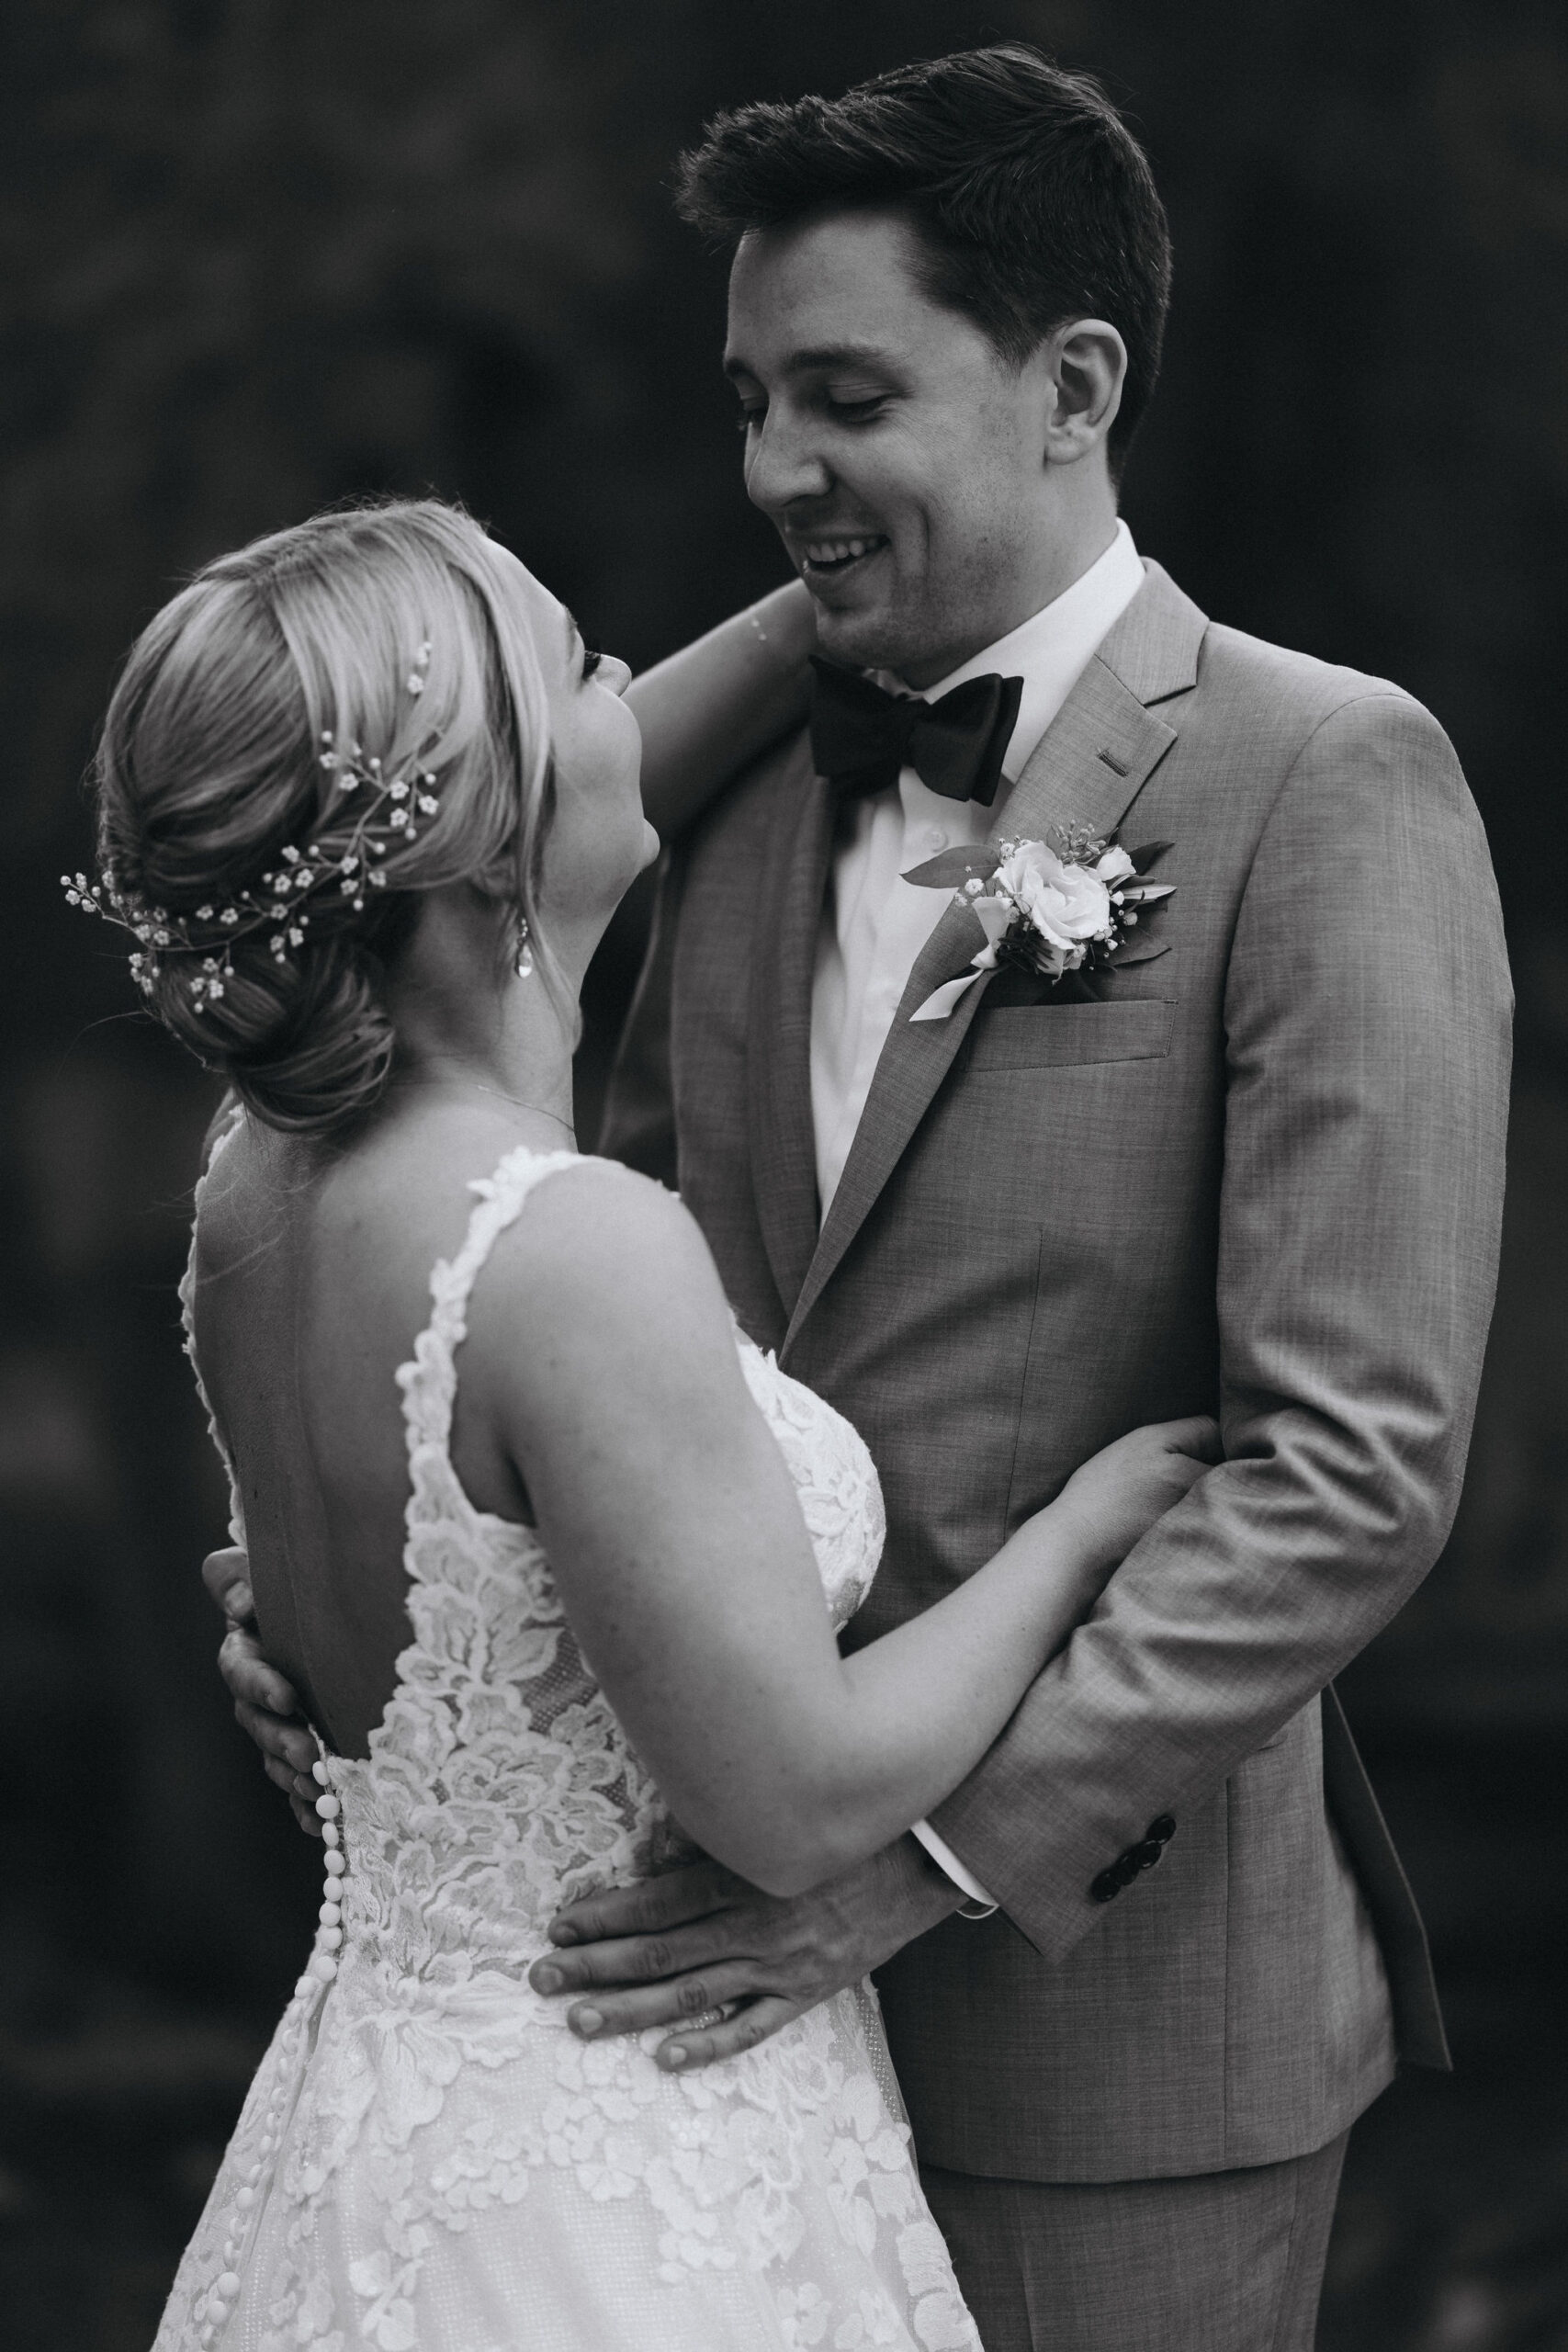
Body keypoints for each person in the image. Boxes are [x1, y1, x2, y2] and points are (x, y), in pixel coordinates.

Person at [213, 43, 1513, 2352]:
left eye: (840, 397)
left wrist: (909, 1868)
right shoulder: (685, 818)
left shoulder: (1322, 779)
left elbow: (1348, 1468)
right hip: (649, 2058)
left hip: (1091, 2039)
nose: (769, 473)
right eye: (743, 400)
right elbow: (548, 1302)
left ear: (1069, 384)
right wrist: (392, 1600)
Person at [76, 495, 1220, 2349]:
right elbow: (795, 1802)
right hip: (615, 2181)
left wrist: (885, 541)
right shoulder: (572, 1247)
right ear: (478, 820)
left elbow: (413, 1578)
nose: (630, 677)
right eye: (579, 655)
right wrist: (1080, 1533)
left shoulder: (255, 1187)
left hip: (377, 2129)